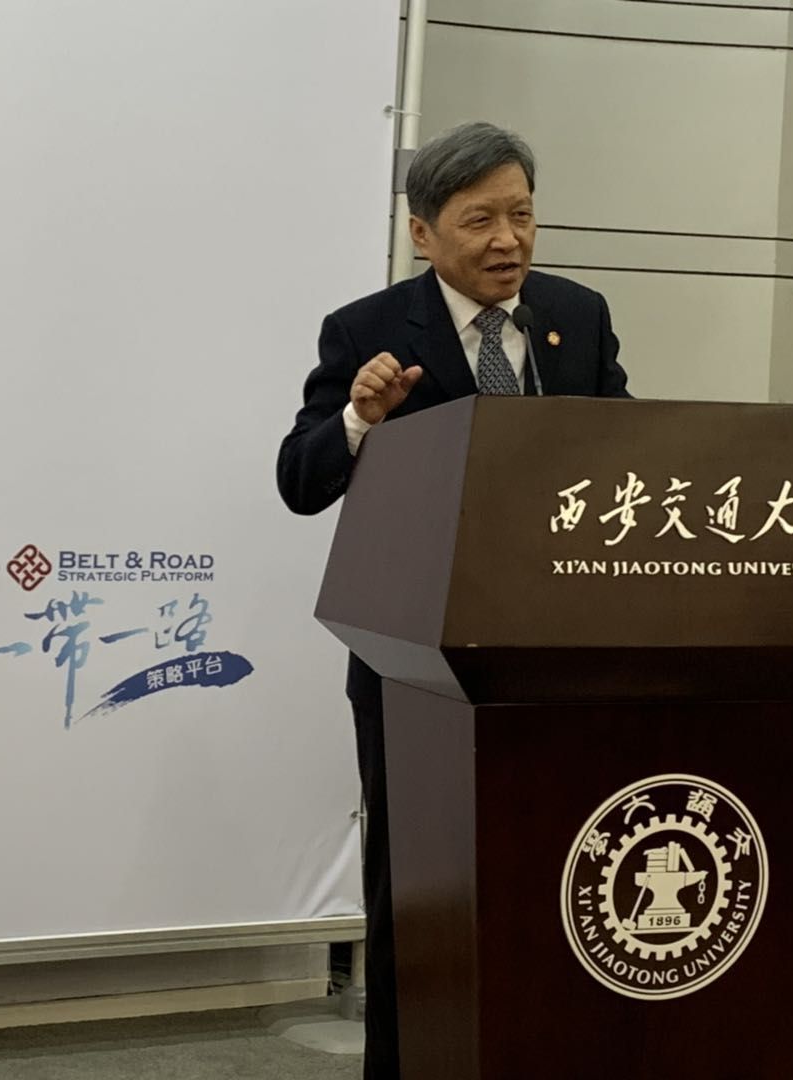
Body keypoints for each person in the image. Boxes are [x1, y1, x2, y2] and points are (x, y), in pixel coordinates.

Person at [276, 121, 632, 1080]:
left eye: (523, 215)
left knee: (557, 874)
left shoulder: (577, 315)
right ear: (423, 233)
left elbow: (626, 457)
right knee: (421, 890)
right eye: (481, 221)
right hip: (415, 667)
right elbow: (300, 479)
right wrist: (359, 419)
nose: (509, 240)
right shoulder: (365, 331)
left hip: (556, 656)